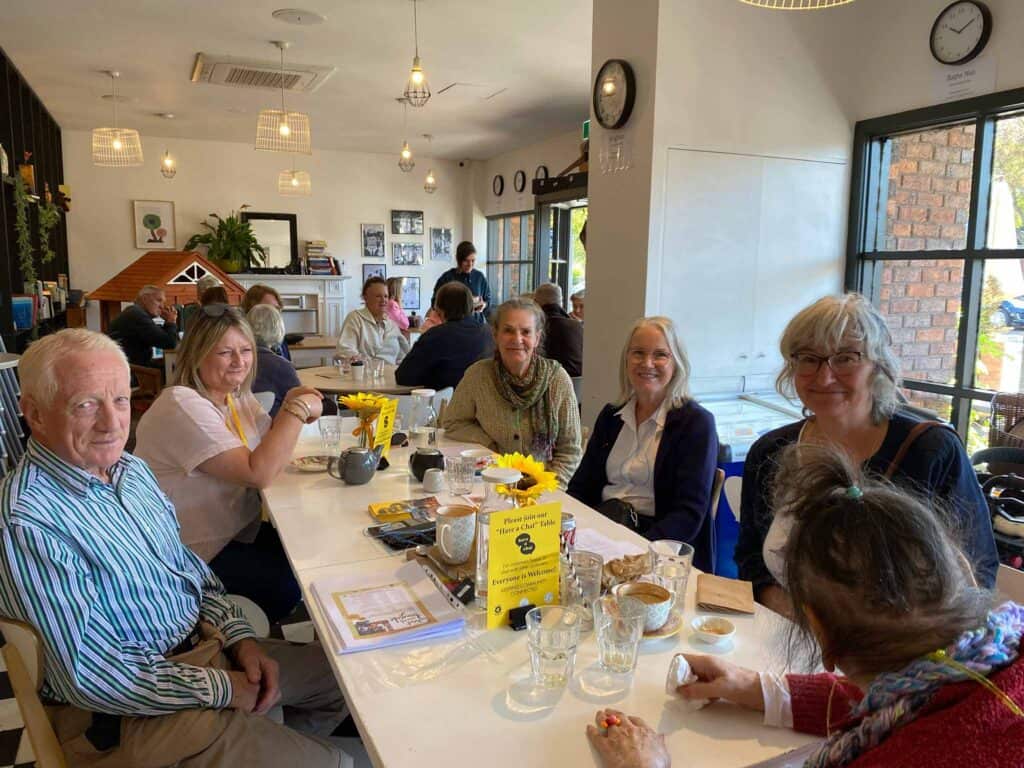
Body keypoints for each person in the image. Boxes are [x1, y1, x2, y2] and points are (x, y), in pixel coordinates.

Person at [0, 329, 344, 767]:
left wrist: (242, 642)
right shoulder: (27, 519)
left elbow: (191, 575)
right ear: (34, 414)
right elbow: (89, 674)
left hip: (202, 654)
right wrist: (224, 689)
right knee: (336, 762)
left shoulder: (130, 471)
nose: (112, 423)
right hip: (125, 714)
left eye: (121, 401)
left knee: (347, 680)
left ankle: (261, 741)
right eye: (85, 405)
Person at [587, 446, 1024, 768]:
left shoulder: (920, 753)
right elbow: (900, 693)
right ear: (955, 568)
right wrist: (756, 688)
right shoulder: (984, 658)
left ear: (820, 634)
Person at [735, 293, 999, 615]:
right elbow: (750, 557)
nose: (824, 376)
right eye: (808, 357)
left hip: (898, 651)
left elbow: (977, 571)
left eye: (845, 358)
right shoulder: (771, 452)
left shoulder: (930, 451)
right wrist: (802, 618)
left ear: (878, 365)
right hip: (789, 634)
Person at [135, 304, 325, 622]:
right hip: (188, 558)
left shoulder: (234, 398)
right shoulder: (181, 404)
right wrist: (297, 408)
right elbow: (260, 471)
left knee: (313, 542)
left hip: (236, 533)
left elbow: (274, 451)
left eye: (246, 350)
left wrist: (298, 403)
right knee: (294, 582)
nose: (240, 362)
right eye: (225, 352)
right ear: (197, 355)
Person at [568, 317, 718, 572]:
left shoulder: (696, 423)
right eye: (638, 353)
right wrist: (567, 527)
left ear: (676, 363)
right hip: (602, 532)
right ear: (627, 360)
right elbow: (581, 486)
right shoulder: (611, 416)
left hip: (657, 548)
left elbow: (688, 514)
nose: (647, 363)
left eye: (660, 355)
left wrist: (634, 554)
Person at [442, 298, 582, 487]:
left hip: (544, 489)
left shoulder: (557, 380)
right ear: (495, 335)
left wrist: (549, 489)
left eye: (526, 332)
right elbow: (453, 422)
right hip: (492, 483)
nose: (517, 339)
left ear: (537, 338)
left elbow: (570, 451)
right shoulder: (478, 375)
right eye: (508, 330)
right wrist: (489, 445)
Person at [396, 282, 494, 391]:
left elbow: (403, 376)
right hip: (485, 403)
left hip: (445, 404)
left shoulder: (435, 336)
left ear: (439, 310)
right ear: (471, 308)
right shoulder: (490, 333)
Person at [336, 276, 410, 364]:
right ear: (365, 298)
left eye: (386, 296)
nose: (383, 300)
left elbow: (402, 357)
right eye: (378, 296)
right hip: (363, 374)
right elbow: (344, 351)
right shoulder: (355, 318)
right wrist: (371, 365)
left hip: (390, 375)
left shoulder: (392, 325)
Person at [107, 284, 178, 367]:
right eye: (159, 301)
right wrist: (171, 321)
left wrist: (168, 322)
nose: (162, 306)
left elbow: (163, 339)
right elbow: (169, 343)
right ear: (144, 299)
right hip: (133, 372)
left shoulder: (133, 312)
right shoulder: (136, 315)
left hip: (130, 366)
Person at [249, 304, 301, 418]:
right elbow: (300, 402)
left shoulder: (237, 362)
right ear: (278, 328)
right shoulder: (280, 366)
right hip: (276, 427)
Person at [431, 241, 491, 324]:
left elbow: (488, 299)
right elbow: (434, 303)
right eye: (466, 261)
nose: (470, 264)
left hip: (476, 324)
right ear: (458, 260)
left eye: (473, 260)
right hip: (452, 326)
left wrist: (484, 305)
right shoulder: (447, 278)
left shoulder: (479, 277)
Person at [534, 283, 583, 377]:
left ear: (536, 303)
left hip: (551, 385)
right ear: (561, 302)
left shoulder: (538, 327)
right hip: (579, 387)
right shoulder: (577, 326)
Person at [241, 284, 292, 361]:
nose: (274, 313)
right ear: (252, 309)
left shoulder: (280, 340)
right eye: (268, 308)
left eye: (276, 309)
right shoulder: (241, 343)